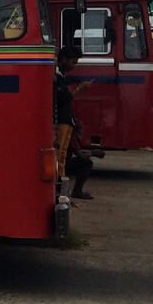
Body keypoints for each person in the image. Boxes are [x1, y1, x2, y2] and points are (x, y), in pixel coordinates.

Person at [54, 46, 101, 199]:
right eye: (73, 62)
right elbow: (64, 99)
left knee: (61, 156)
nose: (74, 66)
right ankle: (58, 188)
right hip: (61, 121)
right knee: (60, 156)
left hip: (65, 121)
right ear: (63, 59)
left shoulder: (60, 77)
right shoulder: (56, 77)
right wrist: (80, 89)